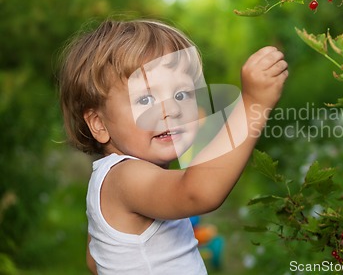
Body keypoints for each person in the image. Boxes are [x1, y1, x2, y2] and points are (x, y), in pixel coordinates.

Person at [58, 19, 288, 274]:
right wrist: (253, 104)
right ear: (99, 124)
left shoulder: (108, 181)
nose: (171, 110)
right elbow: (199, 191)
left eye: (181, 95)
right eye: (145, 99)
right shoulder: (124, 177)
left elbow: (94, 259)